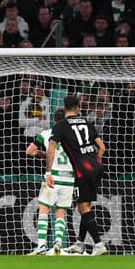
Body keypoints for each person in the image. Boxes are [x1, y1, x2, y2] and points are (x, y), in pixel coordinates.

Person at [47, 95, 107, 256]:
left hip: (82, 169)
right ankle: (80, 243)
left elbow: (51, 149)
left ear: (64, 107)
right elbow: (102, 147)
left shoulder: (61, 125)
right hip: (96, 166)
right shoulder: (87, 122)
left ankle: (99, 244)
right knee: (86, 205)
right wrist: (96, 162)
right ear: (78, 108)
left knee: (82, 207)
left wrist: (48, 172)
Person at [26, 109, 72, 256]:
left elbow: (29, 151)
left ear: (54, 121)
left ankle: (41, 245)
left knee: (44, 209)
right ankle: (58, 244)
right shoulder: (73, 136)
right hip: (69, 178)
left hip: (53, 176)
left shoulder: (46, 134)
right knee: (61, 212)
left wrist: (43, 154)